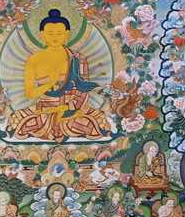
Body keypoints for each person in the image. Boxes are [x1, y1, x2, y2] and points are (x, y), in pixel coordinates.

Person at [6, 9, 110, 142]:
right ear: (42, 35)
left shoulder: (77, 58)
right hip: (44, 107)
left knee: (88, 122)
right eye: (50, 33)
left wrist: (68, 108)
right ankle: (56, 120)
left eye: (59, 33)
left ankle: (58, 120)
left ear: (66, 34)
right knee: (16, 119)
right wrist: (51, 83)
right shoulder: (33, 60)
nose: (54, 37)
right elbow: (30, 94)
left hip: (71, 109)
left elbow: (83, 91)